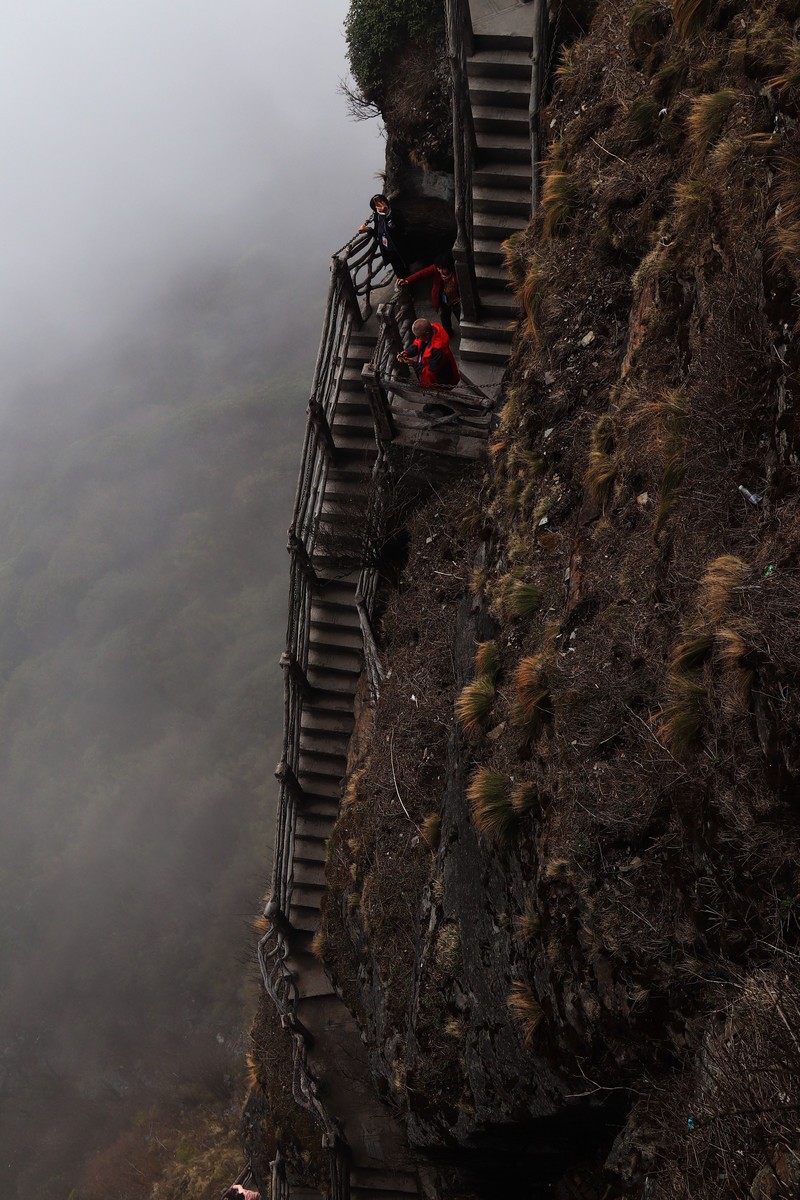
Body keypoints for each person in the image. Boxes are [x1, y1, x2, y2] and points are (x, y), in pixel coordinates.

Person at [398, 254, 461, 336]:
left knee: (460, 317)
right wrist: (407, 280)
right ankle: (448, 333)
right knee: (444, 317)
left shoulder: (457, 274)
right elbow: (421, 274)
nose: (440, 271)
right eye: (439, 268)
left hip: (456, 302)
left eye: (443, 268)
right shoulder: (436, 269)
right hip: (443, 300)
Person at [397, 319, 460, 389]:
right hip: (435, 372)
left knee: (442, 391)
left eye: (418, 336)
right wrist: (407, 352)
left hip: (442, 377)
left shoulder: (437, 350)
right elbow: (417, 344)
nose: (416, 338)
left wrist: (413, 363)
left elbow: (430, 372)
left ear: (427, 334)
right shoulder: (428, 332)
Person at [359, 193, 408, 276]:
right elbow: (378, 233)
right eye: (376, 203)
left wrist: (387, 213)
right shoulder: (377, 216)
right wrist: (367, 229)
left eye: (381, 201)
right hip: (388, 250)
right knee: (397, 269)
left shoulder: (394, 212)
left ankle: (409, 281)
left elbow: (401, 226)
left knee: (405, 267)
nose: (379, 204)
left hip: (400, 248)